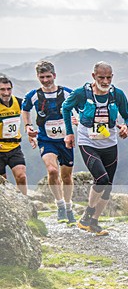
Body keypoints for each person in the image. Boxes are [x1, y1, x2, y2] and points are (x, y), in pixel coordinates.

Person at [62, 61, 128, 236]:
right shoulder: (81, 93)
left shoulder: (117, 95)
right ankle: (87, 214)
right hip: (88, 142)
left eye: (108, 77)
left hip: (110, 144)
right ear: (93, 76)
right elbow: (66, 108)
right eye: (101, 77)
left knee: (108, 186)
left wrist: (126, 127)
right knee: (101, 179)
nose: (105, 81)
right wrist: (69, 133)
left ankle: (93, 222)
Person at [21, 61, 75, 223]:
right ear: (38, 77)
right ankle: (59, 205)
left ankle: (68, 206)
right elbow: (25, 109)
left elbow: (81, 107)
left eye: (48, 76)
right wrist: (28, 126)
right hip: (46, 139)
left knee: (66, 177)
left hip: (65, 140)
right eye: (42, 77)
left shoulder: (66, 93)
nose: (45, 80)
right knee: (52, 170)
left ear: (54, 76)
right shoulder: (34, 95)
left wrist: (77, 119)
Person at [0, 75, 28, 195]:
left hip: (14, 147)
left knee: (21, 176)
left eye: (8, 89)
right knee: (3, 183)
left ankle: (26, 205)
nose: (6, 93)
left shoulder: (19, 102)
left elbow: (35, 108)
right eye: (2, 89)